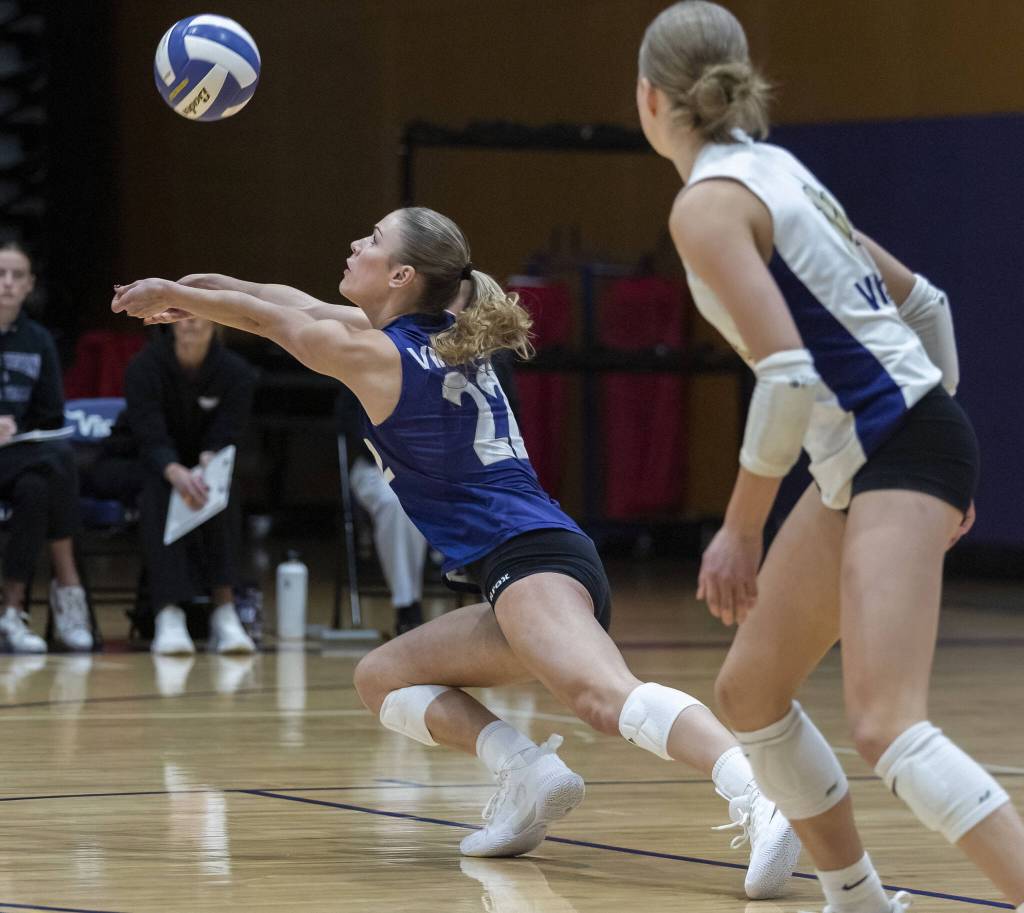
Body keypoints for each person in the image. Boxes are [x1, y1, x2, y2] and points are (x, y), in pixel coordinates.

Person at [111, 207, 801, 900]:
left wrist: (184, 296)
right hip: (520, 567)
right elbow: (282, 301)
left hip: (531, 557)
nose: (355, 244)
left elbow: (270, 321)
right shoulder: (427, 338)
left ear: (402, 275)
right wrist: (182, 287)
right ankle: (528, 773)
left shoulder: (379, 355)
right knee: (382, 677)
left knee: (602, 694)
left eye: (373, 240)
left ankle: (760, 792)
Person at [635, 3, 1024, 912]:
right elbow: (927, 304)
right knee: (751, 689)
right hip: (887, 452)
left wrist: (738, 528)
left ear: (649, 99)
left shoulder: (707, 204)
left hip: (895, 450)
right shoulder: (779, 172)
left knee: (887, 722)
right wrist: (943, 444)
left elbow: (787, 380)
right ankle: (857, 897)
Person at [121, 317, 256, 656]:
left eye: (199, 313)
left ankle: (224, 610)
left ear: (216, 322)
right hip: (141, 461)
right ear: (169, 322)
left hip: (203, 465)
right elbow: (146, 430)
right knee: (161, 491)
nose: (191, 322)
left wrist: (208, 462)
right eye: (181, 314)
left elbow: (228, 430)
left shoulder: (236, 372)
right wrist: (173, 469)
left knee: (222, 492)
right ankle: (169, 612)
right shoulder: (144, 365)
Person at [0, 241, 93, 653]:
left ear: (30, 284)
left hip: (20, 455)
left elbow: (52, 412)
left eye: (17, 275)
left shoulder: (38, 340)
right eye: (0, 274)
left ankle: (11, 610)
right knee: (58, 462)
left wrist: (14, 425)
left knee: (39, 487)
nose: (7, 284)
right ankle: (67, 583)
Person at [336, 383, 429, 636]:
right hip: (376, 466)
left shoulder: (442, 356)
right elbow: (349, 425)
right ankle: (408, 605)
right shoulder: (364, 356)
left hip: (434, 468)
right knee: (397, 502)